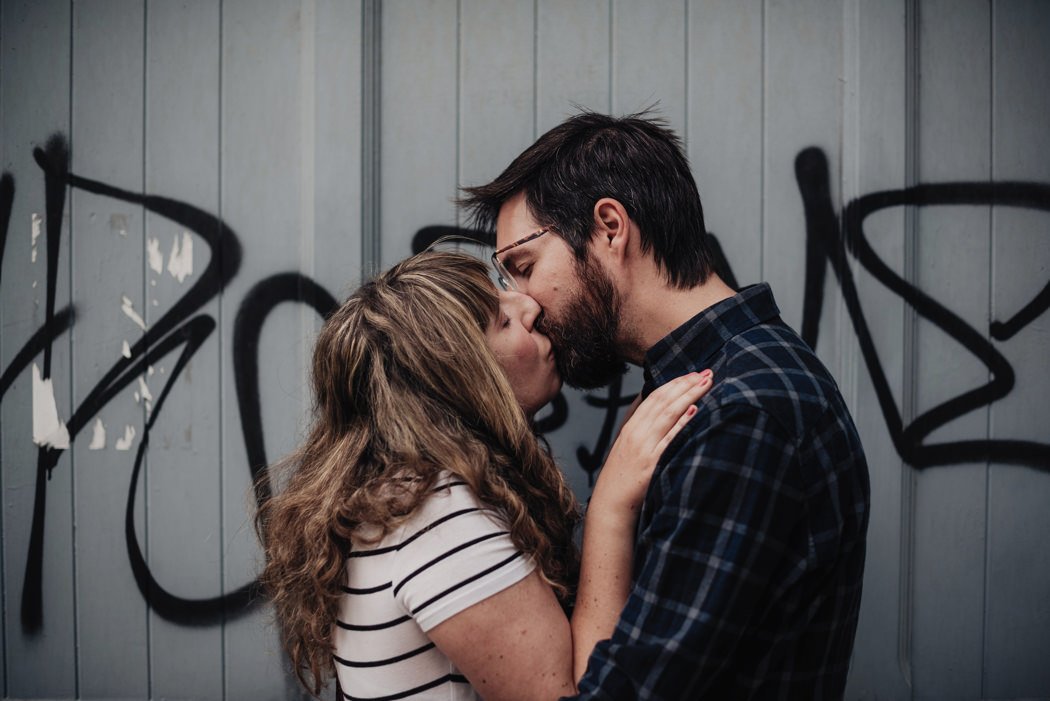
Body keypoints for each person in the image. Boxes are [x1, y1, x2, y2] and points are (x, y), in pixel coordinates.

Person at [459, 111, 871, 699]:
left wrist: (606, 514)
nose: (523, 305)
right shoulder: (711, 380)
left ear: (608, 227)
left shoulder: (741, 417)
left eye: (523, 268)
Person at [255, 250, 713, 700]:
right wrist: (611, 510)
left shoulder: (401, 496)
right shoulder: (438, 519)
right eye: (503, 321)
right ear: (460, 378)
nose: (529, 306)